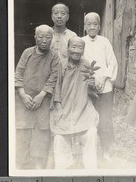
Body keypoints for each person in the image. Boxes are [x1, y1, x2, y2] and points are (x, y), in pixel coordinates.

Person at [51, 36, 99, 169]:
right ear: (68, 49)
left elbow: (93, 94)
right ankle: (64, 167)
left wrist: (92, 85)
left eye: (80, 48)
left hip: (83, 109)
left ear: (83, 50)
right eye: (74, 47)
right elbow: (57, 88)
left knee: (91, 132)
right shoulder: (61, 64)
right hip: (64, 108)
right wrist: (59, 108)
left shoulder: (87, 65)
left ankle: (91, 168)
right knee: (59, 137)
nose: (77, 51)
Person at [15, 25, 59, 169]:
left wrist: (41, 95)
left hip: (43, 99)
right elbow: (18, 73)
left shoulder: (53, 56)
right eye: (40, 37)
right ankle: (22, 165)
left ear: (52, 39)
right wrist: (22, 94)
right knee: (23, 129)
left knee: (42, 130)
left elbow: (53, 77)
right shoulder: (27, 52)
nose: (44, 40)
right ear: (35, 38)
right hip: (24, 99)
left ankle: (39, 166)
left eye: (48, 37)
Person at [82, 12, 118, 160]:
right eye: (89, 24)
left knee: (105, 119)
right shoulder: (81, 42)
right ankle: (89, 152)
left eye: (95, 24)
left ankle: (107, 150)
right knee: (89, 119)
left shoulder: (104, 42)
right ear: (85, 26)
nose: (92, 27)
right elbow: (80, 64)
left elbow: (113, 63)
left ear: (99, 26)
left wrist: (103, 78)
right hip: (88, 87)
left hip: (105, 87)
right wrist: (90, 80)